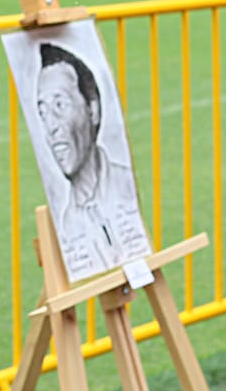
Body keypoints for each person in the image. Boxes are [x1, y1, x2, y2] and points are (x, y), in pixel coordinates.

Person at [35, 42, 148, 275]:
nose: (51, 126)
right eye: (42, 112)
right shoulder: (67, 224)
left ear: (92, 110)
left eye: (60, 105)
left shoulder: (124, 185)